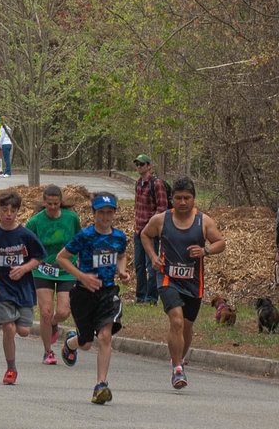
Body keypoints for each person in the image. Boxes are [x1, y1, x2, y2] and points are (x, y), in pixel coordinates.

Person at [140, 177, 225, 390]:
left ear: (194, 199)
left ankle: (178, 358)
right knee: (176, 321)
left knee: (187, 327)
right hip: (167, 278)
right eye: (178, 198)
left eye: (187, 198)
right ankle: (177, 368)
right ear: (172, 199)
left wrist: (205, 250)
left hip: (193, 282)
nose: (183, 202)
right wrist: (152, 256)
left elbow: (220, 243)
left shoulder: (203, 221)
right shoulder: (161, 219)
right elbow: (145, 235)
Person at [56, 192, 130, 405]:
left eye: (109, 213)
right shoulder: (85, 236)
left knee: (105, 336)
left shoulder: (119, 237)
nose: (105, 217)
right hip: (83, 293)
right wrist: (82, 277)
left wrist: (122, 272)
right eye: (101, 213)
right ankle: (70, 343)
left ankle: (101, 385)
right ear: (93, 213)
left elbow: (121, 255)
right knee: (86, 342)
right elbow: (62, 258)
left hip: (108, 292)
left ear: (114, 213)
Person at [0, 191, 46, 384]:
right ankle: (11, 369)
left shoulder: (25, 235)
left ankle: (15, 318)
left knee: (23, 331)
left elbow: (39, 257)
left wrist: (24, 268)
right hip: (2, 287)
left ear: (18, 212)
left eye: (13, 210)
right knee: (8, 327)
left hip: (23, 287)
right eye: (5, 210)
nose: (9, 214)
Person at [25, 185, 82, 365]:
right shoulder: (35, 222)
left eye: (56, 204)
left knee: (64, 311)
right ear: (44, 202)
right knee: (45, 312)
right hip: (43, 269)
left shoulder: (71, 218)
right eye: (49, 204)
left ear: (60, 202)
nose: (52, 207)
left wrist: (80, 259)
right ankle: (48, 351)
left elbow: (80, 239)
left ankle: (54, 324)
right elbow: (26, 245)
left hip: (66, 269)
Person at [133, 154, 169, 305]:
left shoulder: (156, 183)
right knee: (139, 265)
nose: (139, 167)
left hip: (150, 233)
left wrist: (150, 226)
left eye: (142, 164)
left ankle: (151, 298)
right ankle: (140, 296)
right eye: (137, 164)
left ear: (149, 166)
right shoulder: (138, 184)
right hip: (137, 230)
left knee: (151, 264)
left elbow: (162, 208)